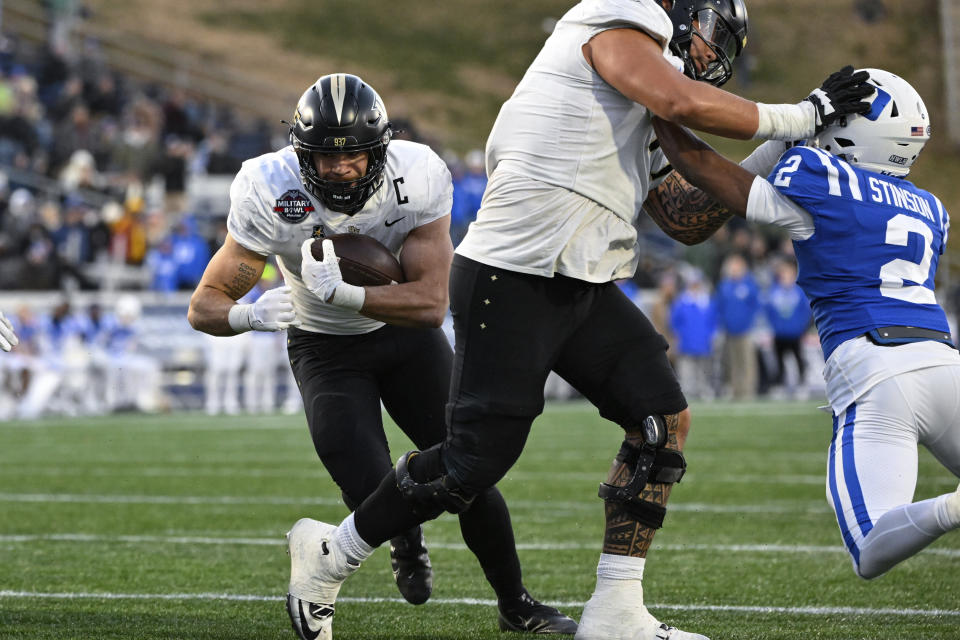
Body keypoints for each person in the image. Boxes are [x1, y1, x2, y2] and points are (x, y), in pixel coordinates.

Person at [284, 2, 876, 639]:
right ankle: (332, 553)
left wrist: (779, 144)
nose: (715, 54)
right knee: (468, 467)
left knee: (661, 420)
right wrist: (800, 113)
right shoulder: (616, 21)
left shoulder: (649, 92)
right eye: (712, 33)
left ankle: (616, 610)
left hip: (583, 276)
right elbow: (681, 101)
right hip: (513, 273)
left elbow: (686, 211)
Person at [186, 73, 577, 638]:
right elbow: (204, 305)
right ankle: (405, 537)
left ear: (381, 150)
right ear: (301, 153)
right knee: (370, 483)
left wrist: (344, 292)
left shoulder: (416, 176)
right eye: (325, 157)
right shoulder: (268, 188)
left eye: (355, 156)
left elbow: (429, 303)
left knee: (469, 471)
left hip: (404, 338)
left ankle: (516, 603)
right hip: (324, 349)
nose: (341, 169)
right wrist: (249, 315)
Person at [651, 68, 960, 581]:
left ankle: (951, 508)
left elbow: (703, 168)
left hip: (876, 372)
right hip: (946, 362)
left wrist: (657, 105)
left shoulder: (825, 184)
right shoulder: (931, 209)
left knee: (871, 545)